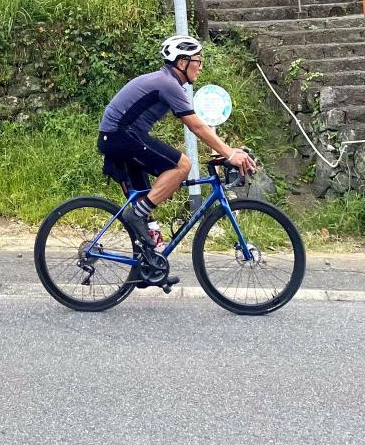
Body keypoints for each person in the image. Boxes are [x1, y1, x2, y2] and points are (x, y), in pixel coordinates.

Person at [98, 34, 256, 272]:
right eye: (198, 61)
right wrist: (230, 153)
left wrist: (225, 150)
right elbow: (196, 125)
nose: (201, 67)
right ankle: (135, 216)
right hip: (120, 135)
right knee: (182, 165)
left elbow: (200, 126)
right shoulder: (168, 83)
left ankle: (149, 267)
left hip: (120, 136)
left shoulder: (166, 80)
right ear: (182, 62)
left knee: (145, 202)